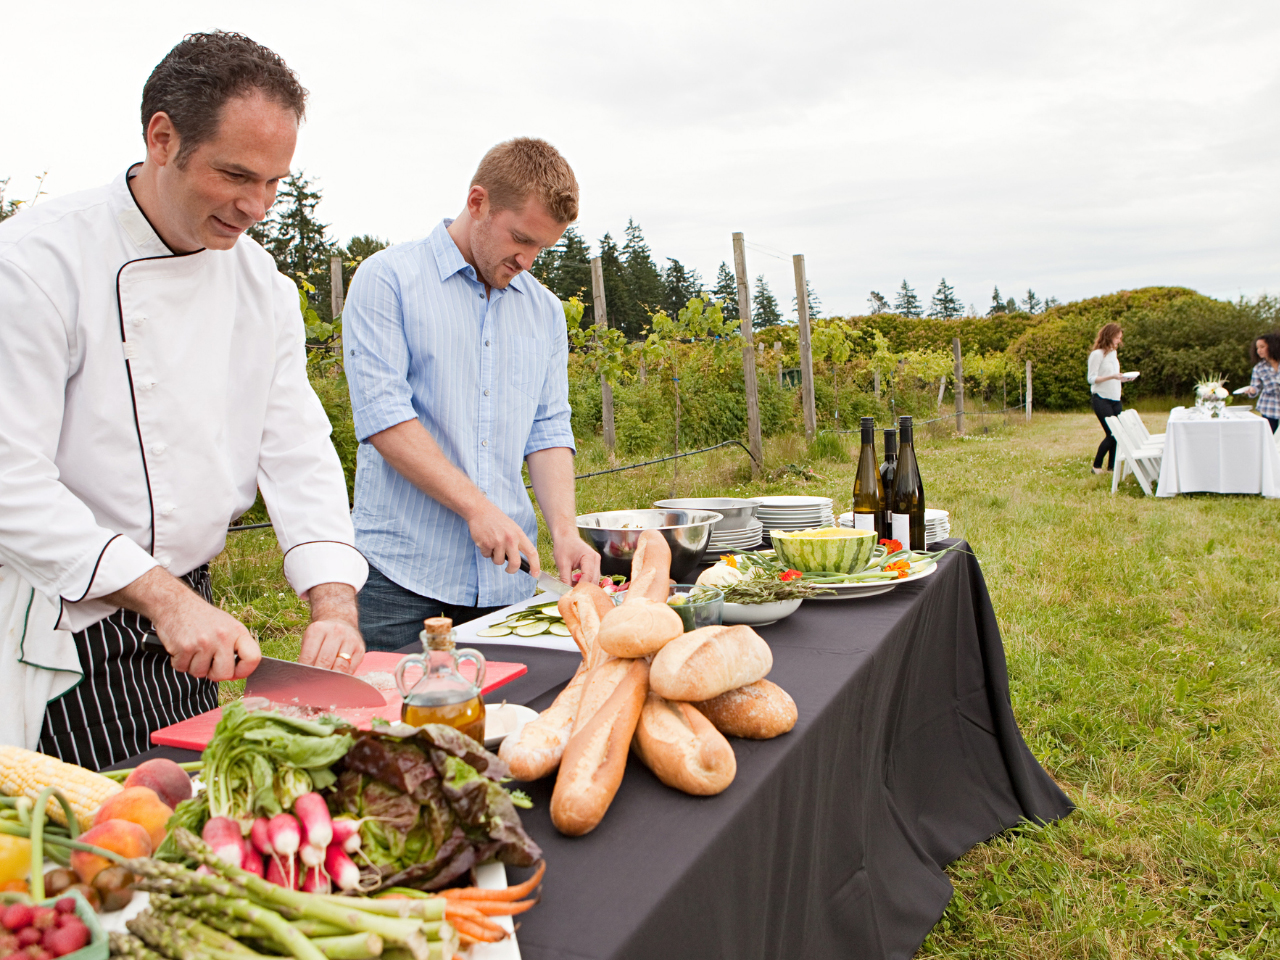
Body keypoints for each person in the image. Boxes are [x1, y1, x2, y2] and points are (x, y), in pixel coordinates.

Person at [0, 32, 368, 768]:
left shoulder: (260, 285)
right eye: (236, 174)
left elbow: (295, 449)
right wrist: (163, 599)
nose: (256, 205)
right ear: (162, 137)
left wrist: (333, 599)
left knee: (191, 815)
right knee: (108, 843)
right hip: (65, 618)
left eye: (274, 182)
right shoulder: (38, 262)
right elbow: (11, 482)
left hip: (196, 627)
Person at [344, 138, 601, 652]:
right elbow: (385, 419)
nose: (527, 260)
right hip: (401, 578)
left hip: (507, 583)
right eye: (520, 239)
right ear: (478, 201)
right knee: (393, 727)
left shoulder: (545, 312)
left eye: (541, 249)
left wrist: (566, 533)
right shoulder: (388, 280)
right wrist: (477, 510)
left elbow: (548, 430)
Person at [1087, 322, 1127, 474]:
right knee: (1112, 433)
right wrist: (1111, 376)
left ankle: (1111, 468)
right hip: (1101, 398)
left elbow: (1114, 376)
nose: (1119, 341)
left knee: (1118, 434)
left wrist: (1123, 378)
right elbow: (1091, 378)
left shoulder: (1113, 354)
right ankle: (1096, 467)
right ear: (1109, 336)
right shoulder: (1097, 355)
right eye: (1117, 338)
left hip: (1115, 398)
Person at [1243, 332, 1280, 433]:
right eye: (1257, 348)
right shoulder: (1259, 368)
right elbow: (1255, 386)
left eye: (1262, 347)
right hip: (1269, 407)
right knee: (1270, 437)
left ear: (1273, 346)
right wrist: (1252, 390)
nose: (1259, 351)